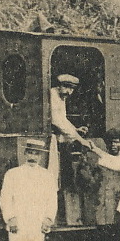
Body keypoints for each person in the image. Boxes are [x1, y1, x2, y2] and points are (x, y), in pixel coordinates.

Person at [0, 139, 57, 241]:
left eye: (36, 153)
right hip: (18, 223)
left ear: (41, 156)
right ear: (25, 154)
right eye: (30, 152)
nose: (33, 156)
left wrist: (48, 219)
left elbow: (52, 200)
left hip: (37, 224)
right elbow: (5, 198)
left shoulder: (47, 176)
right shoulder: (13, 174)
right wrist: (10, 218)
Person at [79, 128, 120, 241]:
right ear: (106, 145)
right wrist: (84, 164)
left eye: (117, 142)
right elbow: (89, 183)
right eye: (110, 143)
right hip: (103, 209)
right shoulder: (99, 163)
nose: (113, 145)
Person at [47, 74, 90, 225]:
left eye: (71, 89)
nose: (69, 92)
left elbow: (64, 120)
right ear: (59, 86)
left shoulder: (61, 97)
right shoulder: (52, 95)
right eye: (66, 88)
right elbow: (57, 121)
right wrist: (79, 139)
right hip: (51, 141)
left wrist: (76, 130)